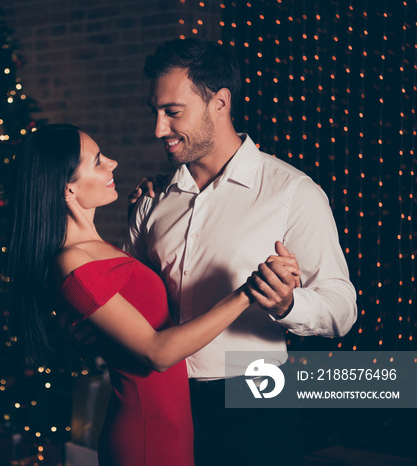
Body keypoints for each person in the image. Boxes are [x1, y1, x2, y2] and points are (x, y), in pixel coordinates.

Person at [7, 123, 301, 466]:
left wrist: (152, 206)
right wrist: (249, 292)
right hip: (147, 435)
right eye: (98, 161)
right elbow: (157, 353)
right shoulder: (71, 261)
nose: (112, 163)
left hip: (175, 427)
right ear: (68, 190)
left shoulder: (99, 249)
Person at [126, 38, 358, 466]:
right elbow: (133, 302)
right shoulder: (150, 200)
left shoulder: (292, 192)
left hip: (256, 397)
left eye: (172, 112)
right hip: (162, 399)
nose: (158, 129)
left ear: (220, 102)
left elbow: (342, 309)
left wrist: (289, 303)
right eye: (154, 112)